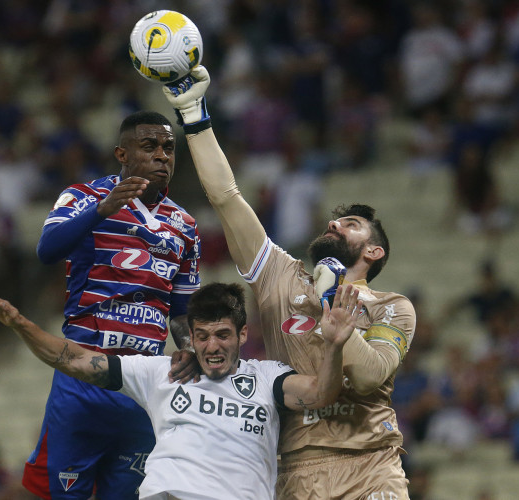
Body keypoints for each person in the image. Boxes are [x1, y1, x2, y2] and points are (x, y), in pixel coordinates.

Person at [163, 66, 416, 499]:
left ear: (374, 252)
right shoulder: (278, 275)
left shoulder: (393, 306)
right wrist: (194, 117)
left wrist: (331, 301)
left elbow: (372, 376)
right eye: (335, 218)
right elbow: (226, 196)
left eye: (351, 224)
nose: (334, 221)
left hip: (371, 464)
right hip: (297, 469)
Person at [0, 281, 362, 500]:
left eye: (224, 335)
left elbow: (319, 394)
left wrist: (335, 344)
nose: (213, 347)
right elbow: (76, 361)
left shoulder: (268, 377)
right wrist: (20, 324)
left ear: (243, 334)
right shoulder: (160, 371)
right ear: (190, 337)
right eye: (203, 336)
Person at [27, 110, 202, 499]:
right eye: (149, 146)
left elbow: (181, 312)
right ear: (121, 154)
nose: (162, 155)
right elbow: (47, 251)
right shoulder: (83, 196)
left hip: (141, 385)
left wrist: (190, 348)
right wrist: (100, 211)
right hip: (82, 376)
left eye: (168, 148)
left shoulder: (185, 225)